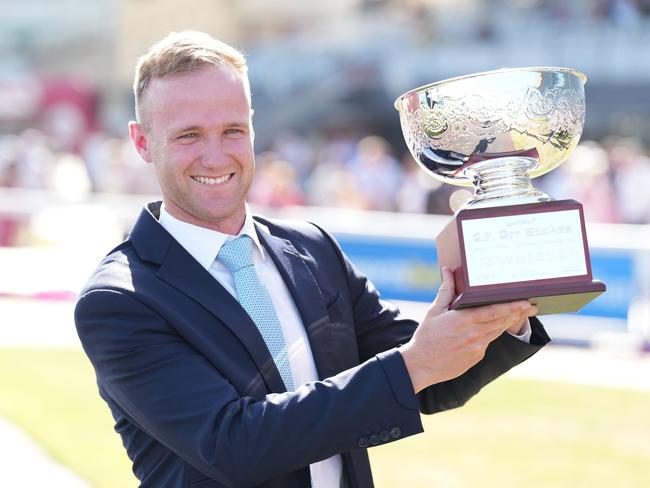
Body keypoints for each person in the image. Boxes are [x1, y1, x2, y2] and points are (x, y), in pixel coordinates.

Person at [74, 31, 549, 488]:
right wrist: (415, 365)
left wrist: (500, 305)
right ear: (141, 142)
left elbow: (431, 379)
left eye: (233, 130)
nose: (215, 156)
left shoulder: (312, 248)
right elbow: (232, 444)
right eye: (189, 136)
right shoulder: (120, 299)